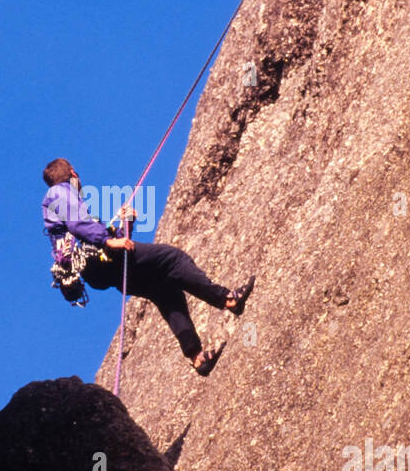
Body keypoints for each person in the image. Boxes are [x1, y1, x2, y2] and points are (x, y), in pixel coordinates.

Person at [41, 157, 254, 376]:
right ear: (73, 172)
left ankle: (196, 356)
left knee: (165, 290)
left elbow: (109, 242)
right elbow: (80, 226)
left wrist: (126, 226)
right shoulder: (59, 192)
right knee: (173, 258)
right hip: (99, 261)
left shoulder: (62, 205)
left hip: (101, 270)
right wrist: (108, 240)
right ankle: (228, 298)